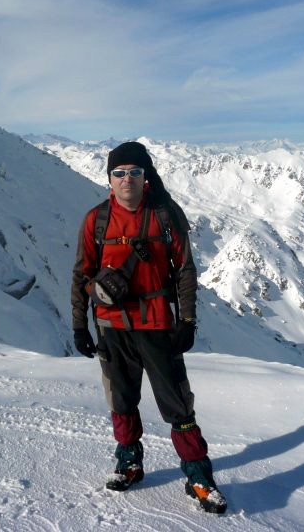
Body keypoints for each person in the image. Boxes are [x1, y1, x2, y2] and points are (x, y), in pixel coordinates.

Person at [70, 141, 227, 514]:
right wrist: (80, 326)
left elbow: (185, 271)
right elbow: (82, 275)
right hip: (111, 327)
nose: (127, 180)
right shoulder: (96, 220)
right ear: (109, 179)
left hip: (157, 325)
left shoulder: (165, 216)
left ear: (146, 176)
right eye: (119, 173)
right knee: (121, 401)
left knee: (178, 407)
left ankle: (198, 476)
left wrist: (187, 320)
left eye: (135, 172)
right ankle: (129, 463)